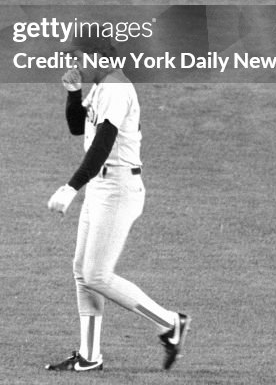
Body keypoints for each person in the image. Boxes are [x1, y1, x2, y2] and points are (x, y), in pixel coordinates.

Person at [45, 34, 189, 373]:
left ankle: (170, 323)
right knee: (83, 271)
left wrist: (71, 187)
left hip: (119, 188)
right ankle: (89, 356)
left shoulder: (117, 89)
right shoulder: (101, 85)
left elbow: (102, 147)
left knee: (96, 274)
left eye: (77, 58)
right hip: (102, 186)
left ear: (97, 57)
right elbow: (77, 128)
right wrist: (73, 93)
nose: (73, 64)